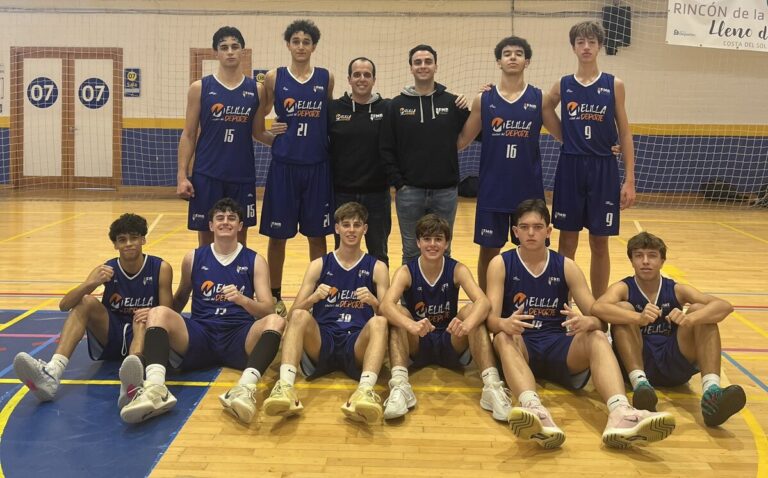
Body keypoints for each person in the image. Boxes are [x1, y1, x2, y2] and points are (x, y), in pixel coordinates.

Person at [486, 199, 675, 449]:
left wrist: (589, 321)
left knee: (596, 336)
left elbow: (599, 319)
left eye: (538, 227)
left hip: (560, 345)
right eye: (525, 227)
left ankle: (620, 412)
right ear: (515, 231)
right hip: (522, 346)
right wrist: (504, 323)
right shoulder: (501, 264)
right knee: (502, 336)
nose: (531, 233)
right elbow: (491, 321)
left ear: (548, 231)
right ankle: (534, 410)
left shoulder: (566, 266)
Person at [119, 198, 285, 425]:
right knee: (159, 312)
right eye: (220, 218)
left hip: (238, 335)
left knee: (276, 321)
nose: (225, 222)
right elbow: (180, 297)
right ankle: (156, 389)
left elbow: (267, 309)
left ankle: (244, 389)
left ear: (240, 226)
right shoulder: (193, 257)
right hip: (200, 335)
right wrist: (156, 318)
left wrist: (243, 300)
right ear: (211, 225)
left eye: (231, 218)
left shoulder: (255, 260)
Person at [13, 213, 173, 409]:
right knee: (85, 301)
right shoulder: (107, 269)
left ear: (143, 240)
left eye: (134, 238)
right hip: (111, 333)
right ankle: (53, 372)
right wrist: (90, 284)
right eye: (122, 240)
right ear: (115, 245)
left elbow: (167, 313)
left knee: (141, 319)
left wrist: (151, 312)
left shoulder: (160, 268)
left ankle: (134, 382)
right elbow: (64, 305)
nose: (129, 244)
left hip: (143, 334)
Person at [592, 232, 745, 427]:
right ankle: (640, 384)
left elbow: (724, 306)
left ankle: (712, 394)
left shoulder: (676, 289)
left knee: (701, 310)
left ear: (662, 261)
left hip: (672, 361)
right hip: (638, 360)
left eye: (652, 256)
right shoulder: (623, 287)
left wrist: (689, 319)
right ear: (631, 260)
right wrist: (637, 318)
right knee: (623, 308)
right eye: (639, 256)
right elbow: (598, 307)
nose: (645, 261)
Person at [263, 202, 390, 423]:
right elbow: (292, 315)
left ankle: (364, 391)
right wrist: (313, 298)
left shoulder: (377, 267)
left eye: (357, 225)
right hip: (323, 340)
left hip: (356, 342)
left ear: (365, 229)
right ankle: (285, 388)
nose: (351, 230)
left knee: (379, 323)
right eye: (346, 224)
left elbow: (388, 317)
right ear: (337, 228)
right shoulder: (319, 265)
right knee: (301, 315)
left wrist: (374, 303)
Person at [379, 214, 511, 422]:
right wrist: (411, 325)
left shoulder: (457, 269)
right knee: (398, 315)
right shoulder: (406, 271)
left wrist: (466, 325)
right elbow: (385, 306)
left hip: (451, 338)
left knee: (472, 311)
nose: (432, 244)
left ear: (446, 243)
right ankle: (400, 386)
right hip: (418, 340)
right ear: (418, 242)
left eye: (438, 239)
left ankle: (492, 387)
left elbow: (484, 302)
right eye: (427, 239)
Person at [457, 36, 562, 291]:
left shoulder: (540, 99)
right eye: (507, 53)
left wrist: (604, 143)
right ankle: (488, 304)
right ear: (499, 61)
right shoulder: (484, 100)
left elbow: (565, 136)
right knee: (488, 252)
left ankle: (530, 298)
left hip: (528, 191)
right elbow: (461, 141)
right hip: (493, 189)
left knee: (532, 249)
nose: (512, 57)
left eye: (518, 53)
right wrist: (453, 109)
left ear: (527, 61)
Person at [547, 20, 636, 299]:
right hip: (571, 166)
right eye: (580, 42)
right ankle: (563, 305)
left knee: (600, 243)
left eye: (591, 42)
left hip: (603, 169)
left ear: (599, 46)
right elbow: (543, 108)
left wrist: (629, 179)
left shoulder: (614, 84)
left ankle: (600, 306)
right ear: (573, 47)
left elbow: (625, 132)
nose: (586, 47)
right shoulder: (563, 84)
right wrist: (564, 136)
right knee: (567, 241)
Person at [255, 19, 335, 317]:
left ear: (314, 47)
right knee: (277, 237)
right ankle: (275, 296)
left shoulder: (326, 78)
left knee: (318, 236)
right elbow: (258, 120)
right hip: (284, 168)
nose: (301, 46)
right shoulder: (274, 78)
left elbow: (328, 119)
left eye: (306, 42)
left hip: (317, 167)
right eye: (296, 41)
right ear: (288, 45)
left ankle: (319, 296)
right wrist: (271, 136)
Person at [380, 44, 470, 264]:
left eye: (428, 61)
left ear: (436, 66)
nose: (423, 66)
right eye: (417, 62)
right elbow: (386, 148)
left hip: (446, 192)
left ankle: (442, 289)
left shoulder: (452, 102)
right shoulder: (396, 105)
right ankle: (410, 290)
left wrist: (481, 100)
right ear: (411, 67)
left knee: (443, 251)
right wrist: (399, 183)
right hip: (409, 192)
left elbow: (481, 133)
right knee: (411, 252)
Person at [177, 26, 266, 246]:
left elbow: (258, 132)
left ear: (242, 50)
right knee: (206, 237)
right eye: (224, 47)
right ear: (216, 52)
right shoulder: (199, 88)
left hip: (241, 174)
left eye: (235, 46)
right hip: (207, 173)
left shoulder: (257, 89)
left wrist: (290, 140)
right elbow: (189, 134)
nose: (230, 51)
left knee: (240, 236)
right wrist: (182, 176)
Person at [328, 57, 391, 267]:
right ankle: (341, 288)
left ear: (374, 80)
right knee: (342, 252)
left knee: (379, 253)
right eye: (357, 74)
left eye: (367, 75)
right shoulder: (334, 109)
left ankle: (380, 289)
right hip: (342, 194)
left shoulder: (388, 108)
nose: (361, 79)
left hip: (377, 195)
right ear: (349, 79)